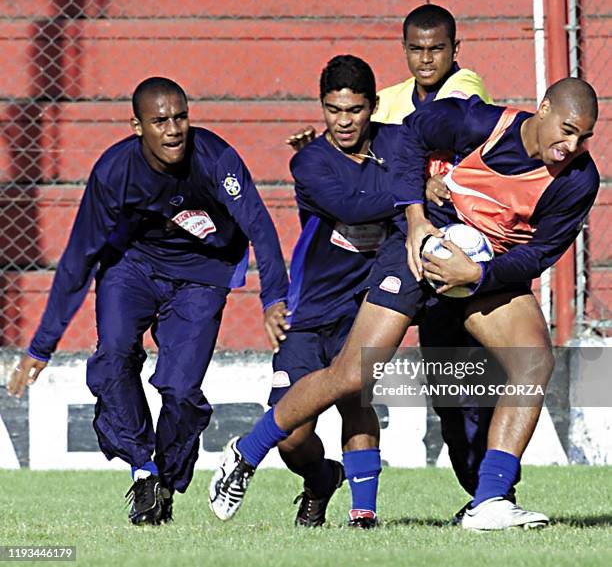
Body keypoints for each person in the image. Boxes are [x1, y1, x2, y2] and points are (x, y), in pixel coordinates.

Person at [209, 77, 599, 531]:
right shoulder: (476, 122)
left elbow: (543, 252)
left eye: (583, 136)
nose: (571, 145)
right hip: (421, 244)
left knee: (533, 362)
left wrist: (477, 275)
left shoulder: (578, 179)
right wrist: (414, 217)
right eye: (567, 129)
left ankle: (490, 500)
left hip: (482, 269)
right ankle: (246, 452)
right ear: (544, 108)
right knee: (354, 372)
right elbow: (411, 135)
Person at [7, 77, 290, 526]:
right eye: (160, 121)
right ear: (137, 126)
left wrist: (274, 297)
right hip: (132, 267)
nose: (174, 129)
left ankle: (167, 479)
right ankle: (144, 471)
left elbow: (260, 226)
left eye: (180, 117)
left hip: (202, 275)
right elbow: (79, 258)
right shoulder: (113, 172)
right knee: (115, 354)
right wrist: (42, 345)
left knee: (179, 389)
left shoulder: (217, 158)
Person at [287, 3, 498, 523]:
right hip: (408, 258)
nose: (427, 60)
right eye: (416, 49)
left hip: (459, 258)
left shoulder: (464, 92)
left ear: (455, 50)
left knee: (466, 386)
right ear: (404, 50)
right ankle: (480, 498)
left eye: (437, 49)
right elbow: (359, 141)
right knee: (438, 394)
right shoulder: (393, 103)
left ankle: (493, 496)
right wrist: (323, 154)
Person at [269, 55, 410, 529]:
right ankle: (319, 477)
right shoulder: (309, 160)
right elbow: (347, 204)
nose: (343, 121)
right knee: (290, 433)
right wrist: (411, 192)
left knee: (357, 398)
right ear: (322, 107)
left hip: (365, 304)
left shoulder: (397, 145)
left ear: (372, 106)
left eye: (353, 110)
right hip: (309, 309)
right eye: (333, 110)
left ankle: (363, 512)